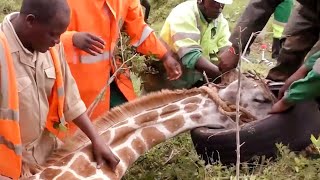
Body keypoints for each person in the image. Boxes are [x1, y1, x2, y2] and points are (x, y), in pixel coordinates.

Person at [0, 0, 119, 179]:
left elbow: (71, 99)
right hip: (8, 163)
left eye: (61, 35)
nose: (57, 41)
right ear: (30, 21)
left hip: (45, 149)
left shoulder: (52, 48)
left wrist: (96, 139)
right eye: (53, 34)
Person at [61, 0, 182, 120]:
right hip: (77, 85)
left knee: (129, 123)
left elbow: (139, 29)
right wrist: (71, 38)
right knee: (82, 133)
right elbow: (45, 32)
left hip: (115, 77)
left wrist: (165, 56)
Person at [218, 0, 320, 82]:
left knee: (312, 77)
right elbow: (262, 4)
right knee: (288, 58)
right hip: (309, 8)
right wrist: (235, 48)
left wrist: (305, 69)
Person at [147, 0, 232, 90]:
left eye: (222, 3)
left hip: (193, 79)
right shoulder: (184, 13)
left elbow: (226, 52)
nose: (220, 6)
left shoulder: (220, 22)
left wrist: (228, 69)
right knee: (156, 102)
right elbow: (191, 56)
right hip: (166, 75)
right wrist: (223, 77)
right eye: (214, 2)